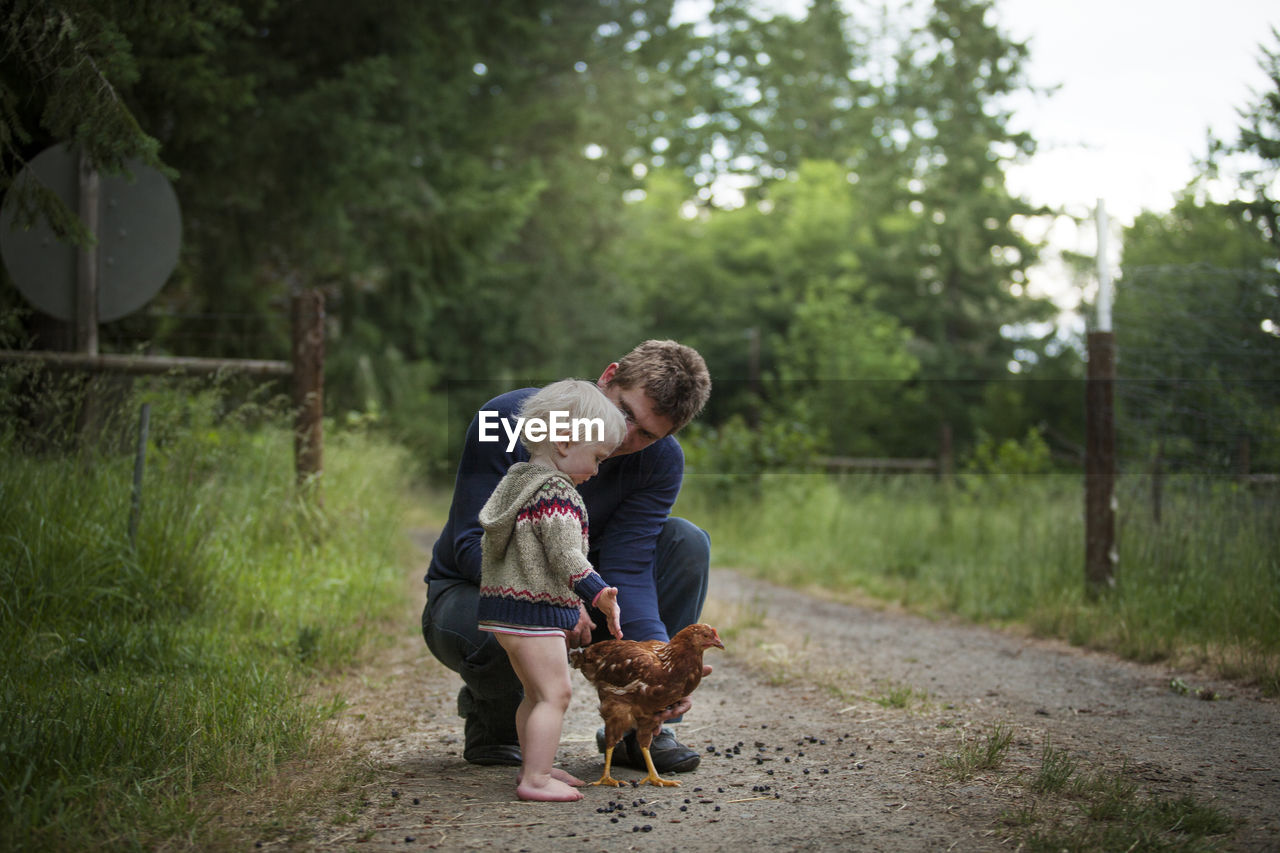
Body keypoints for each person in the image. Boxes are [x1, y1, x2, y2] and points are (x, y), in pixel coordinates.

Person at [423, 340, 713, 775]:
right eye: (626, 413)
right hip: (476, 592)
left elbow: (629, 567)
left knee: (685, 541)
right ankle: (495, 719)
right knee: (516, 622)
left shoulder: (661, 460)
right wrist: (555, 600)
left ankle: (643, 728)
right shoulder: (504, 419)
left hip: (584, 593)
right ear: (608, 377)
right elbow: (473, 544)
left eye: (648, 435)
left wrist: (658, 661)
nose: (626, 437)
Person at [476, 379, 626, 801]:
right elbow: (566, 557)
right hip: (533, 612)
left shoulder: (520, 479)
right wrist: (598, 593)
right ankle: (535, 780)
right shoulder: (557, 492)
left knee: (536, 693)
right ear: (564, 441)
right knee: (556, 694)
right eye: (596, 457)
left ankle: (534, 765)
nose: (596, 471)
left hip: (507, 610)